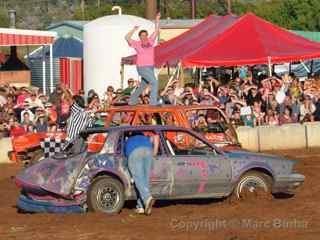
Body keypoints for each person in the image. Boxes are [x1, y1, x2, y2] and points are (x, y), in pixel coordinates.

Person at [125, 12, 161, 106]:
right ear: (140, 37)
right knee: (154, 82)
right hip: (142, 67)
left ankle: (132, 100)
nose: (144, 37)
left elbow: (157, 31)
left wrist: (157, 20)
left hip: (150, 67)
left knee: (143, 86)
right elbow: (127, 37)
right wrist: (134, 29)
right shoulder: (137, 44)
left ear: (147, 36)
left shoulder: (151, 41)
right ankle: (153, 102)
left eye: (145, 35)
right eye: (142, 36)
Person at [125, 132, 159, 215]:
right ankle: (141, 206)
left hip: (134, 152)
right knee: (145, 180)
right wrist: (155, 152)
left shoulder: (129, 140)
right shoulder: (145, 138)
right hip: (148, 150)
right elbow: (156, 137)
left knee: (138, 178)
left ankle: (147, 198)